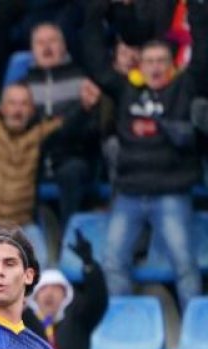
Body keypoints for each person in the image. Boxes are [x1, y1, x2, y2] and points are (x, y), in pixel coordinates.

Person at [83, 0, 207, 310]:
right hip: (130, 194)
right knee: (113, 261)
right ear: (140, 65)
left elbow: (203, 52)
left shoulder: (185, 86)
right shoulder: (126, 89)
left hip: (171, 193)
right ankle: (124, 324)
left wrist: (197, 6)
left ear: (172, 64)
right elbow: (94, 58)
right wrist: (96, 11)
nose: (155, 67)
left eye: (161, 61)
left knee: (184, 264)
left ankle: (196, 329)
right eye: (149, 61)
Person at [0, 39, 101, 231]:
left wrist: (85, 106)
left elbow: (68, 125)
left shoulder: (41, 134)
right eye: (12, 103)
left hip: (22, 227)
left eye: (23, 104)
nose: (17, 110)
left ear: (32, 109)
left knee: (41, 253)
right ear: (2, 107)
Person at [22, 23, 102, 228]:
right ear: (32, 49)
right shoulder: (23, 85)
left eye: (52, 41)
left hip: (72, 155)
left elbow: (92, 128)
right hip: (35, 157)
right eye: (40, 43)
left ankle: (68, 237)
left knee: (72, 171)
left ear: (64, 46)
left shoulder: (82, 81)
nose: (47, 47)